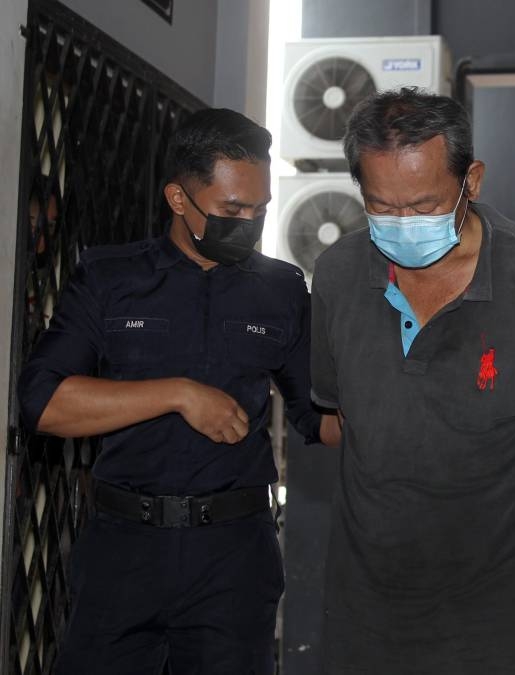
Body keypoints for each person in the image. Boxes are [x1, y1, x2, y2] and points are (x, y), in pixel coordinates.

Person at [17, 108, 337, 675]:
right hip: (125, 548)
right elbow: (43, 403)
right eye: (230, 210)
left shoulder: (281, 290)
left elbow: (318, 417)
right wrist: (178, 394)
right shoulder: (111, 279)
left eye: (258, 210)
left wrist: (397, 415)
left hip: (234, 554)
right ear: (178, 198)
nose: (248, 224)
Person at [310, 87, 515, 674]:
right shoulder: (338, 274)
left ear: (470, 180)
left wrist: (505, 524)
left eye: (422, 206)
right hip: (366, 609)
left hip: (494, 616)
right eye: (382, 206)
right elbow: (343, 416)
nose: (401, 223)